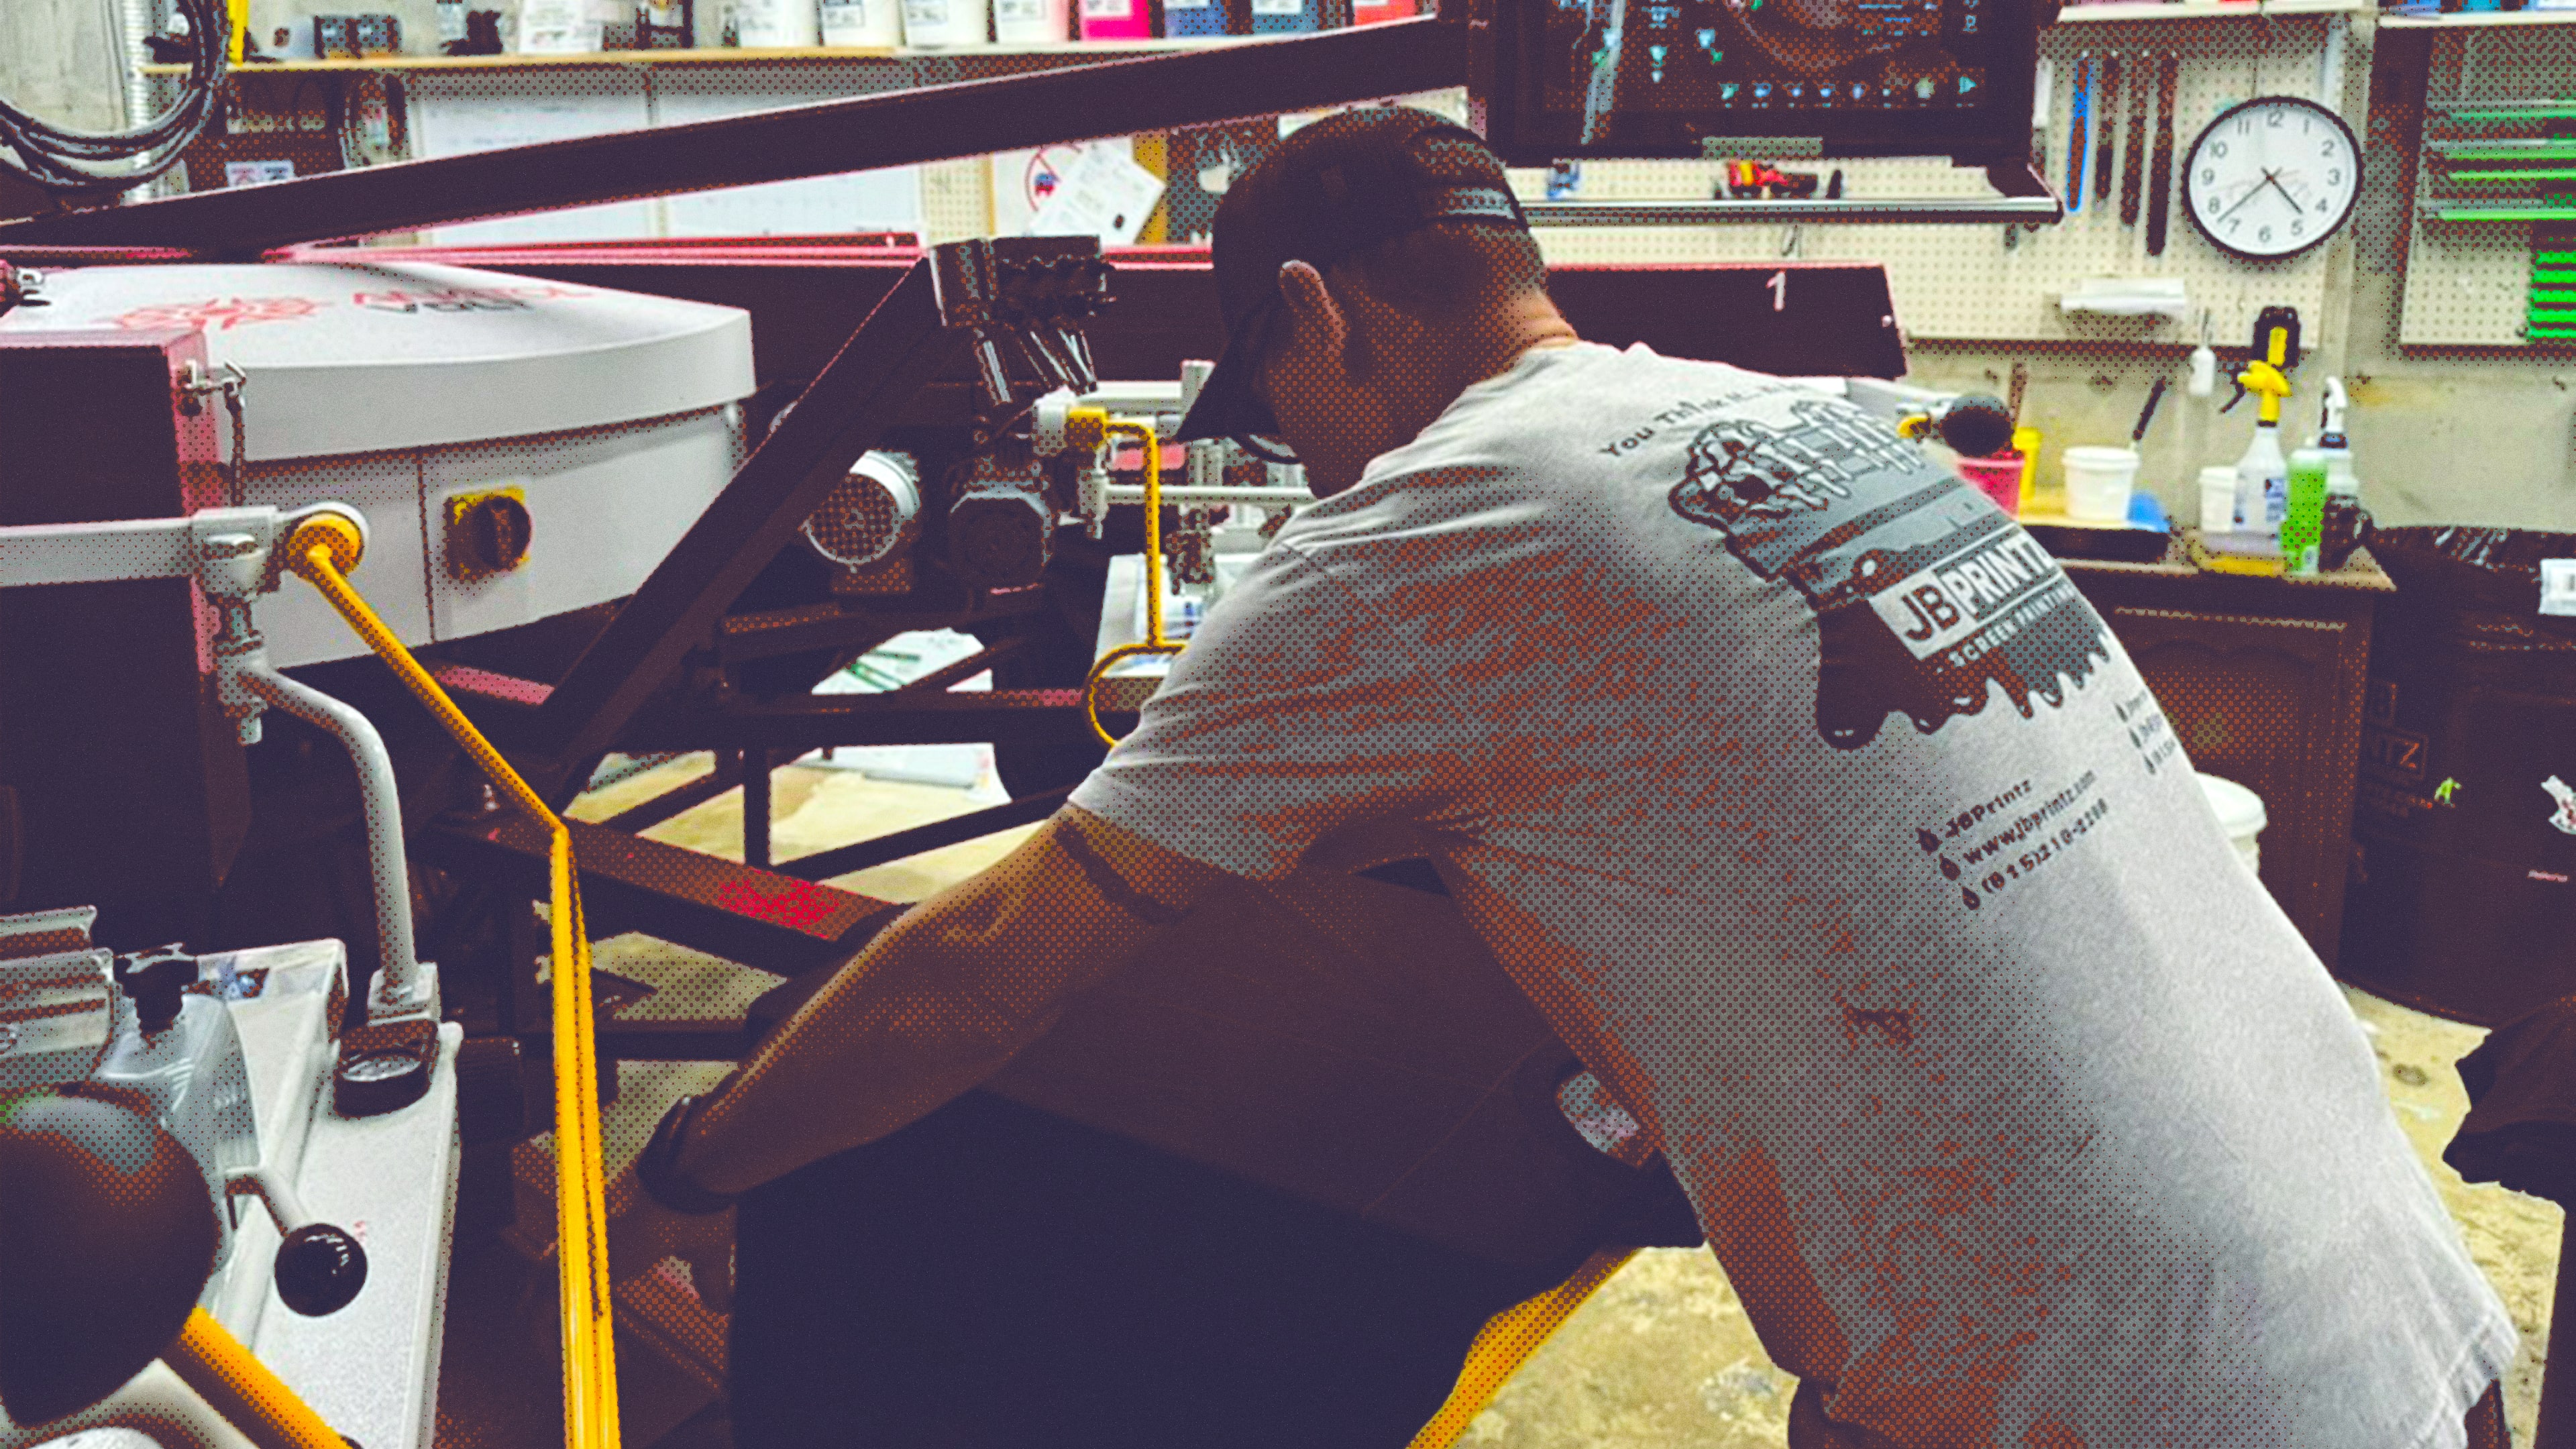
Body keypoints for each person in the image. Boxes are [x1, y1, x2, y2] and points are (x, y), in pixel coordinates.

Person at [608, 105, 2519, 1449]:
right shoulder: (1792, 424)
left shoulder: (1423, 533)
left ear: (1307, 318)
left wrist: (695, 1169)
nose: (1308, 464)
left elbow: (996, 958)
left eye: (1276, 407)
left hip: (2109, 1402)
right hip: (2397, 1321)